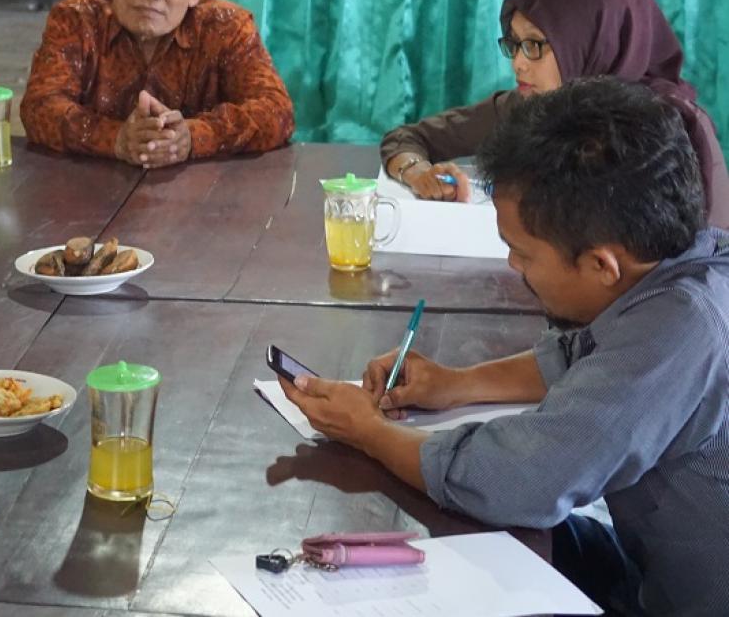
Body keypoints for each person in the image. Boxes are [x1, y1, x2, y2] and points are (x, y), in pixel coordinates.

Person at [284, 77, 729, 616]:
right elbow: (586, 355)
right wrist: (455, 384)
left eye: (522, 253)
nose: (514, 266)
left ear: (601, 265)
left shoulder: (680, 331)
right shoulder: (686, 266)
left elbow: (520, 480)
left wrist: (369, 431)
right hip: (646, 568)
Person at [380, 0, 729, 228]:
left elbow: (706, 260)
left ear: (591, 44)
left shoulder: (672, 131)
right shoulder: (536, 105)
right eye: (515, 44)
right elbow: (407, 138)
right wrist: (418, 172)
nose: (518, 62)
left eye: (534, 45)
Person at [20, 0, 294, 168]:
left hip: (203, 191)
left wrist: (193, 137)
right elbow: (39, 106)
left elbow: (276, 110)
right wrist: (115, 139)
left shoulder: (227, 27)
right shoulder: (76, 19)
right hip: (88, 186)